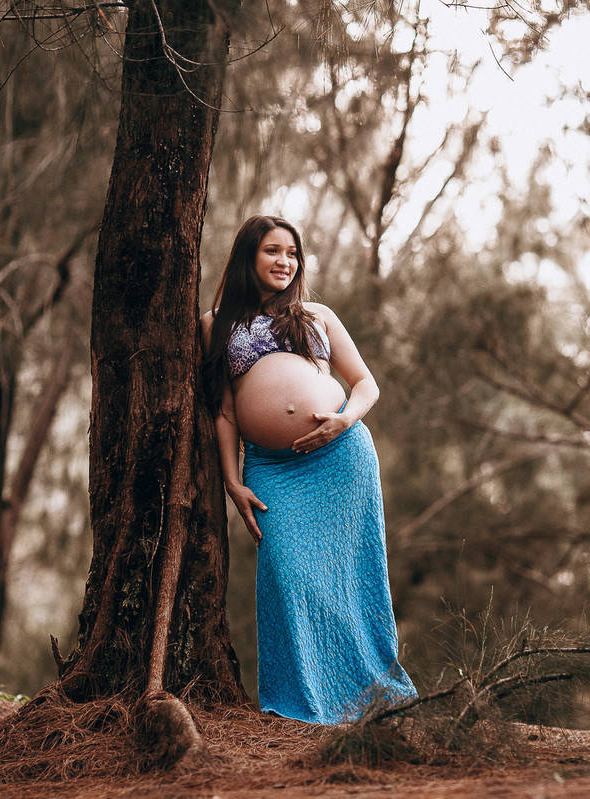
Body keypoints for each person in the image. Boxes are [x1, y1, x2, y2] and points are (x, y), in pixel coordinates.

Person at [201, 214, 416, 725]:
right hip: (273, 469)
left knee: (353, 577)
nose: (285, 262)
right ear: (248, 257)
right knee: (289, 577)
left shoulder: (316, 315)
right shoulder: (215, 324)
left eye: (292, 253)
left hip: (341, 459)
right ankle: (302, 704)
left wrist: (344, 420)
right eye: (273, 251)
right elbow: (224, 409)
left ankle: (372, 698)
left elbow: (366, 383)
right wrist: (232, 481)